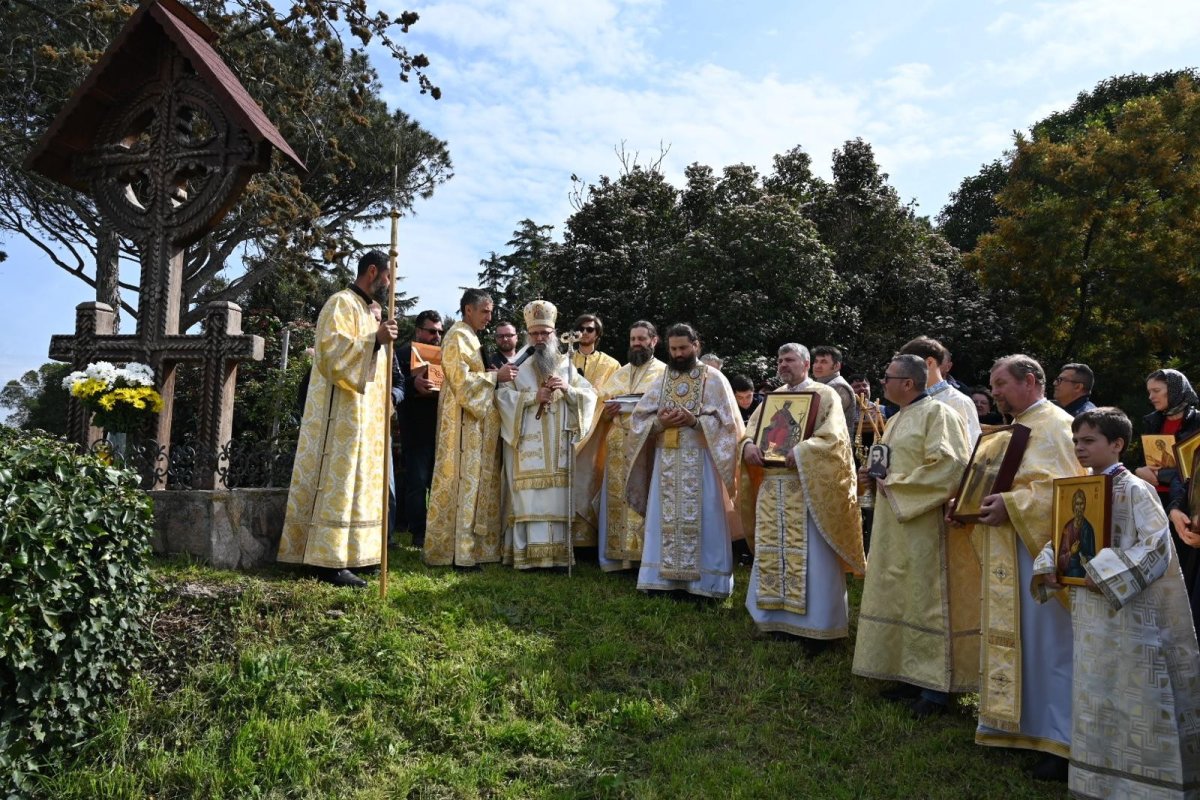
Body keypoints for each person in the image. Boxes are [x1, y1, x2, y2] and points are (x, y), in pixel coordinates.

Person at [1031, 407, 1200, 798]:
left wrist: (1104, 573)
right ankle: (1100, 780)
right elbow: (1063, 538)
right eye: (1076, 441)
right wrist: (1052, 567)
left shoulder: (1135, 489)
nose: (1079, 448)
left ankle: (1146, 786)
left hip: (1133, 617)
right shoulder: (1080, 487)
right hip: (1092, 615)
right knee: (1097, 690)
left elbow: (1156, 546)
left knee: (1136, 694)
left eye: (1089, 440)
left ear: (1117, 444)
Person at [961, 354, 1083, 781]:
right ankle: (1010, 723)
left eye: (1000, 384)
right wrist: (967, 504)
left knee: (1047, 643)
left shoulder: (1057, 425)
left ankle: (1057, 739)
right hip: (1006, 550)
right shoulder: (1008, 430)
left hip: (1040, 556)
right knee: (1014, 639)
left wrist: (1012, 504)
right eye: (992, 385)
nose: (993, 392)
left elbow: (1069, 491)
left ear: (1030, 381)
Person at [852, 354, 977, 719]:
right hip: (895, 522)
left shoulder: (940, 414)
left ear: (907, 382)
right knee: (900, 593)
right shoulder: (898, 418)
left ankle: (934, 689)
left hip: (925, 524)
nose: (883, 382)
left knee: (926, 599)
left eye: (887, 377)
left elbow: (951, 466)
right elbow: (888, 464)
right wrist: (871, 477)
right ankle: (907, 673)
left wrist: (894, 485)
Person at [277, 251, 398, 588]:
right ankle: (327, 560)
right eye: (388, 277)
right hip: (339, 416)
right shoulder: (340, 303)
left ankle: (357, 554)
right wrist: (375, 339)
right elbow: (331, 354)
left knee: (360, 485)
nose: (390, 285)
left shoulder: (369, 312)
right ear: (372, 271)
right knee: (339, 482)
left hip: (365, 420)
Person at [739, 344, 864, 652]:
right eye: (780, 360)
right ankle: (773, 619)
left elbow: (835, 439)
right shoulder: (773, 398)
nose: (783, 364)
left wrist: (803, 450)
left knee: (812, 558)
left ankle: (817, 626)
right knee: (773, 551)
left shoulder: (825, 395)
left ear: (806, 363)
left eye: (790, 359)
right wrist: (746, 448)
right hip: (772, 486)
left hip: (806, 488)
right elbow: (750, 432)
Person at [626, 323, 743, 599]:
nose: (678, 354)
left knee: (705, 519)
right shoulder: (663, 378)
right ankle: (661, 581)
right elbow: (639, 418)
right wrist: (659, 422)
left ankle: (707, 585)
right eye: (673, 349)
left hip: (701, 464)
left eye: (683, 348)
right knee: (663, 520)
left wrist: (695, 421)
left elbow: (729, 425)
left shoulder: (713, 379)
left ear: (696, 345)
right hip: (666, 461)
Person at [498, 300, 597, 569]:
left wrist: (567, 388)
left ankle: (557, 556)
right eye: (535, 334)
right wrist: (532, 397)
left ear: (554, 334)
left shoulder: (565, 364)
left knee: (556, 497)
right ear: (528, 334)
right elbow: (502, 398)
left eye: (545, 333)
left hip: (558, 448)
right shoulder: (517, 364)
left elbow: (590, 396)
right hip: (527, 447)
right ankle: (528, 557)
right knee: (529, 498)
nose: (540, 339)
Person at [424, 290, 517, 567]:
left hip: (473, 424)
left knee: (474, 484)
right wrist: (494, 376)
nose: (490, 317)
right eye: (485, 311)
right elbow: (461, 382)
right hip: (461, 425)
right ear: (468, 310)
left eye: (490, 311)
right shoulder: (457, 336)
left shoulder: (470, 336)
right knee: (462, 482)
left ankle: (473, 549)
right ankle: (456, 552)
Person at [574, 321, 667, 572]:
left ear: (654, 341)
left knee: (643, 497)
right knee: (616, 500)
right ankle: (616, 557)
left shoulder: (664, 373)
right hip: (617, 445)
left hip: (646, 444)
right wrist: (607, 412)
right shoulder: (620, 373)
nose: (637, 344)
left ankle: (643, 558)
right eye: (633, 339)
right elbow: (601, 411)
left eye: (641, 339)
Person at [394, 310, 443, 548]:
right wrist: (414, 384)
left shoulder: (446, 355)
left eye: (439, 331)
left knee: (438, 482)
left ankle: (437, 527)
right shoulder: (401, 354)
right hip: (414, 430)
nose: (436, 336)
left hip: (441, 429)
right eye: (432, 331)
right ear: (418, 331)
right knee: (416, 482)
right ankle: (418, 532)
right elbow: (396, 383)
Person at [898, 336, 980, 445]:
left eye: (908, 367)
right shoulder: (910, 401)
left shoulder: (958, 401)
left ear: (929, 363)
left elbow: (971, 449)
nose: (904, 373)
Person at [811, 345, 857, 435]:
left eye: (823, 362)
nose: (817, 366)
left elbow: (823, 421)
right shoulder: (818, 386)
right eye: (816, 361)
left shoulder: (839, 387)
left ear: (836, 366)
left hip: (835, 446)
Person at [570, 313, 619, 393]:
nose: (585, 332)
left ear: (597, 334)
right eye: (581, 329)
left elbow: (618, 394)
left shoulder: (612, 365)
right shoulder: (564, 361)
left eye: (590, 329)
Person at [1056, 489, 1094, 579]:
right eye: (1077, 504)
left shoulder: (1088, 528)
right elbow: (1060, 560)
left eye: (1082, 504)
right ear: (1073, 506)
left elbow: (1094, 556)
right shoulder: (1068, 528)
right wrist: (1071, 553)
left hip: (1083, 576)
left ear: (1085, 506)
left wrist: (1087, 559)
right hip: (1068, 575)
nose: (1079, 507)